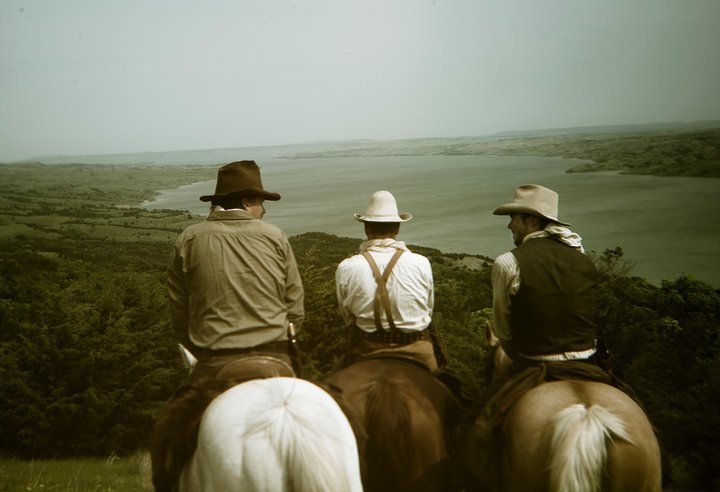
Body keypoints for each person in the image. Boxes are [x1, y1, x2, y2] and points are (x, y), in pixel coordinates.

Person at [150, 160, 304, 491]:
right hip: (276, 357)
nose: (263, 210)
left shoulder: (189, 239)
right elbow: (295, 308)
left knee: (166, 441)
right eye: (261, 202)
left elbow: (179, 311)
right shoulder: (275, 237)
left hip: (213, 362)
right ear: (248, 201)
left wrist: (193, 345)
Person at [335, 190, 444, 373]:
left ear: (366, 228)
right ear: (397, 229)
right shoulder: (421, 263)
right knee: (450, 389)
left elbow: (347, 315)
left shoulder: (347, 267)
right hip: (417, 348)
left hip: (366, 348)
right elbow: (428, 310)